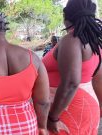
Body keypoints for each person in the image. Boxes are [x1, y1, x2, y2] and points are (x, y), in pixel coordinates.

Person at [42, 0, 102, 134]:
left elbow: (71, 83)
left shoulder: (71, 40)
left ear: (66, 16)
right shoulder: (93, 42)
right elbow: (98, 78)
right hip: (85, 106)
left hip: (67, 109)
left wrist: (53, 116)